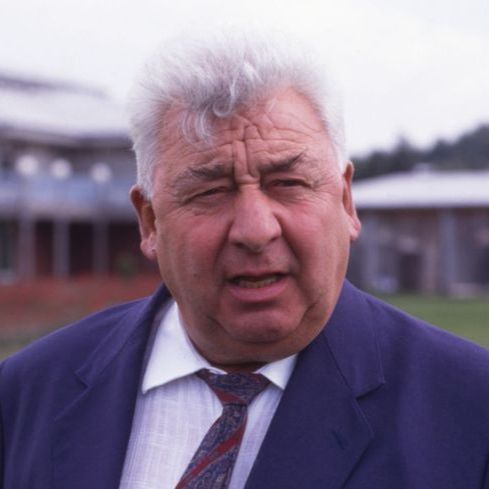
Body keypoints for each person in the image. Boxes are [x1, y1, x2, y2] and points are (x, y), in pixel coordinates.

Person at [1, 31, 489, 489]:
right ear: (150, 223)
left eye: (288, 183)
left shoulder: (471, 410)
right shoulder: (24, 396)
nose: (256, 231)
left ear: (345, 201)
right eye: (210, 192)